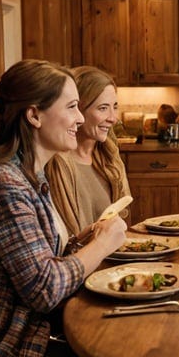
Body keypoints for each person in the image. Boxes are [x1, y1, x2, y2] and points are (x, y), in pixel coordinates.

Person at [0, 60, 147, 357]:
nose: (78, 119)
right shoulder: (4, 184)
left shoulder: (30, 176)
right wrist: (101, 245)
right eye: (72, 107)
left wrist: (83, 240)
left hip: (42, 339)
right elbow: (43, 289)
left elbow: (42, 259)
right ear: (34, 116)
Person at [46, 65, 131, 242]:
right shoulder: (55, 163)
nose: (113, 117)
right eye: (102, 108)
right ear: (78, 109)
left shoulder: (110, 158)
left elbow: (123, 225)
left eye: (114, 107)